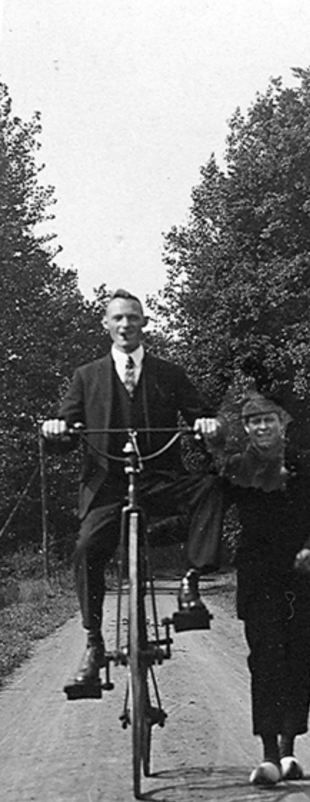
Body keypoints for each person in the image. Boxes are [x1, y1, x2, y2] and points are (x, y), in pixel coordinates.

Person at [41, 289, 225, 698]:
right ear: (106, 325)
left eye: (133, 318)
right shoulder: (86, 376)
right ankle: (93, 646)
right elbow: (67, 428)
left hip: (159, 478)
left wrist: (209, 426)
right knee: (86, 549)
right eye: (118, 318)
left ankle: (191, 582)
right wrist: (56, 429)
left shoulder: (169, 374)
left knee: (211, 487)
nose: (126, 325)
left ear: (144, 324)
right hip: (107, 486)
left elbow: (203, 417)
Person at [219, 385, 310, 786]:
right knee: (265, 660)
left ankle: (289, 752)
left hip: (302, 576)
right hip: (260, 579)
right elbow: (209, 506)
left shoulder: (306, 465)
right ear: (246, 428)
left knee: (297, 660)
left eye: (268, 420)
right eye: (254, 422)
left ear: (282, 424)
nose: (262, 427)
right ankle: (269, 755)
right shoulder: (237, 469)